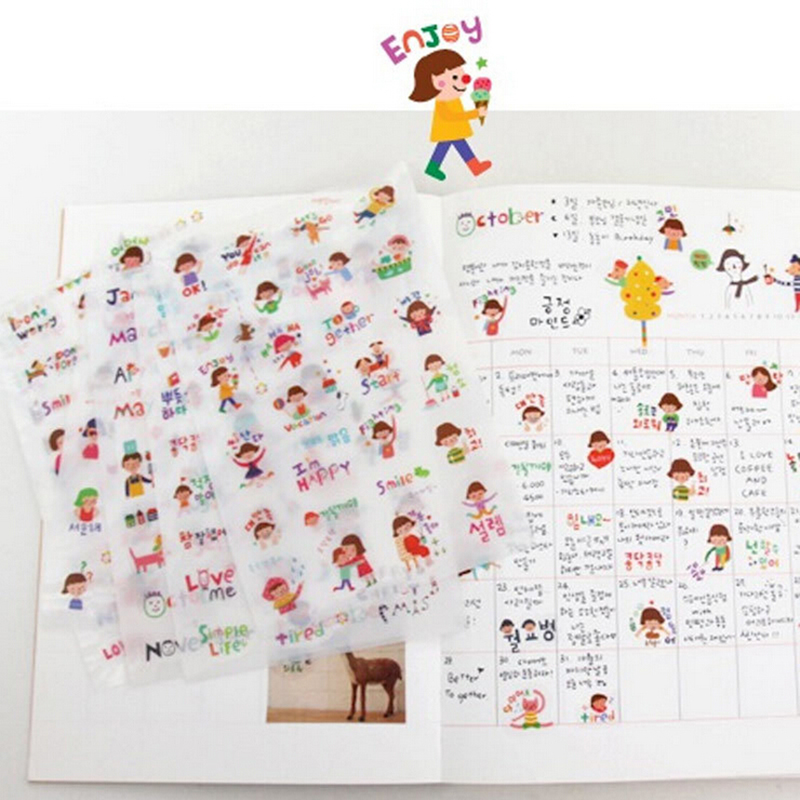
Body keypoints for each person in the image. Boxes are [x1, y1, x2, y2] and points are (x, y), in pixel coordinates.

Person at [408, 49, 491, 181]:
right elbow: (452, 116)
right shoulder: (442, 102)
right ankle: (471, 166)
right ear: (437, 81)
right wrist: (475, 113)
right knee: (450, 145)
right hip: (448, 129)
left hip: (452, 130)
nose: (464, 81)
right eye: (455, 77)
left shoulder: (452, 99)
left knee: (451, 145)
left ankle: (471, 166)